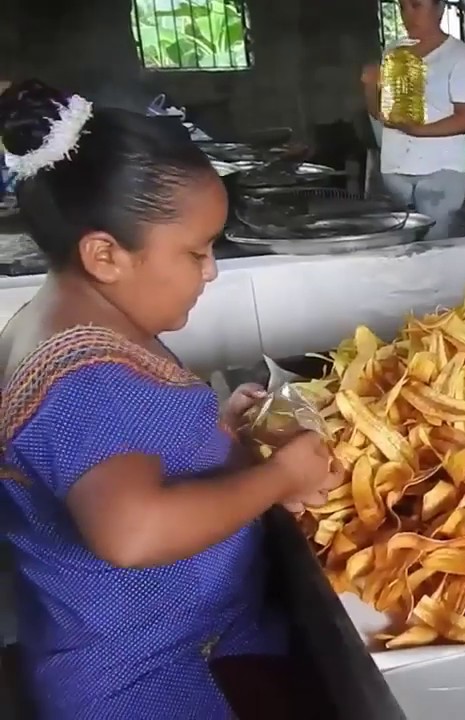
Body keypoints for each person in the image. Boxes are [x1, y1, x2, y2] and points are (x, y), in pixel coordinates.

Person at [0, 79, 342, 719]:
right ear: (105, 254)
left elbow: (132, 452)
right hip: (147, 679)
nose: (210, 271)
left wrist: (224, 445)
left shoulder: (64, 324)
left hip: (173, 642)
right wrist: (275, 478)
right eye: (196, 251)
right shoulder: (87, 374)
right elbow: (131, 531)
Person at [363, 0, 465, 239]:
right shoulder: (393, 54)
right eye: (402, 7)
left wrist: (418, 131)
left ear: (439, 8)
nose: (408, 14)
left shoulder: (459, 56)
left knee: (433, 250)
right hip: (396, 171)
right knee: (400, 252)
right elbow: (383, 114)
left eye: (416, 5)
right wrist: (369, 86)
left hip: (439, 171)